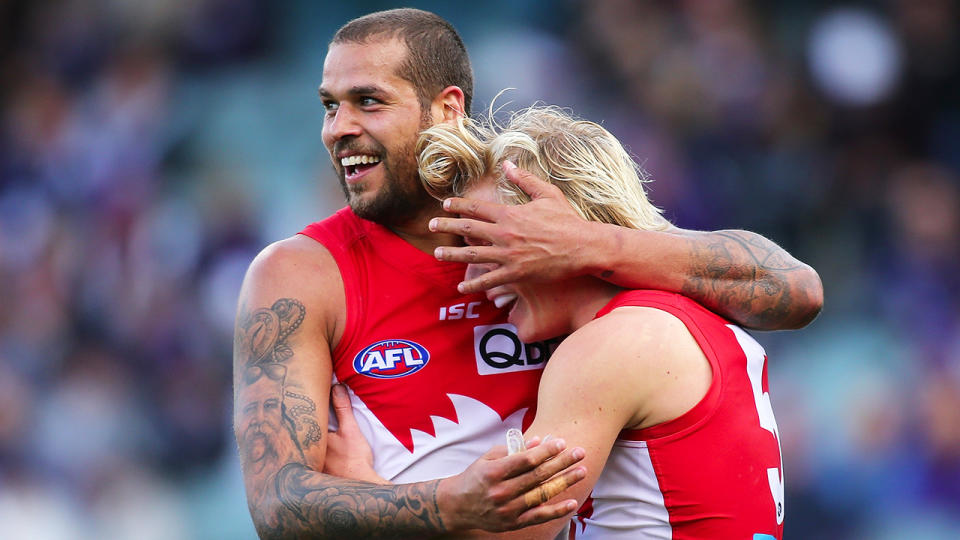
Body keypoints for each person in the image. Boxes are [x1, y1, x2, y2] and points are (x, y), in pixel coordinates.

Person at [233, 8, 821, 538]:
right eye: (329, 106)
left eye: (369, 101)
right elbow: (278, 508)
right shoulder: (302, 274)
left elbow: (795, 291)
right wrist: (446, 504)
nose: (338, 128)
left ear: (447, 108)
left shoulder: (542, 224)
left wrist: (588, 244)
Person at [331, 104, 789, 539]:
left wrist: (365, 491)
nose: (468, 279)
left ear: (562, 233)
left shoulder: (609, 345)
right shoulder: (691, 311)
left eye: (489, 246)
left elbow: (515, 530)